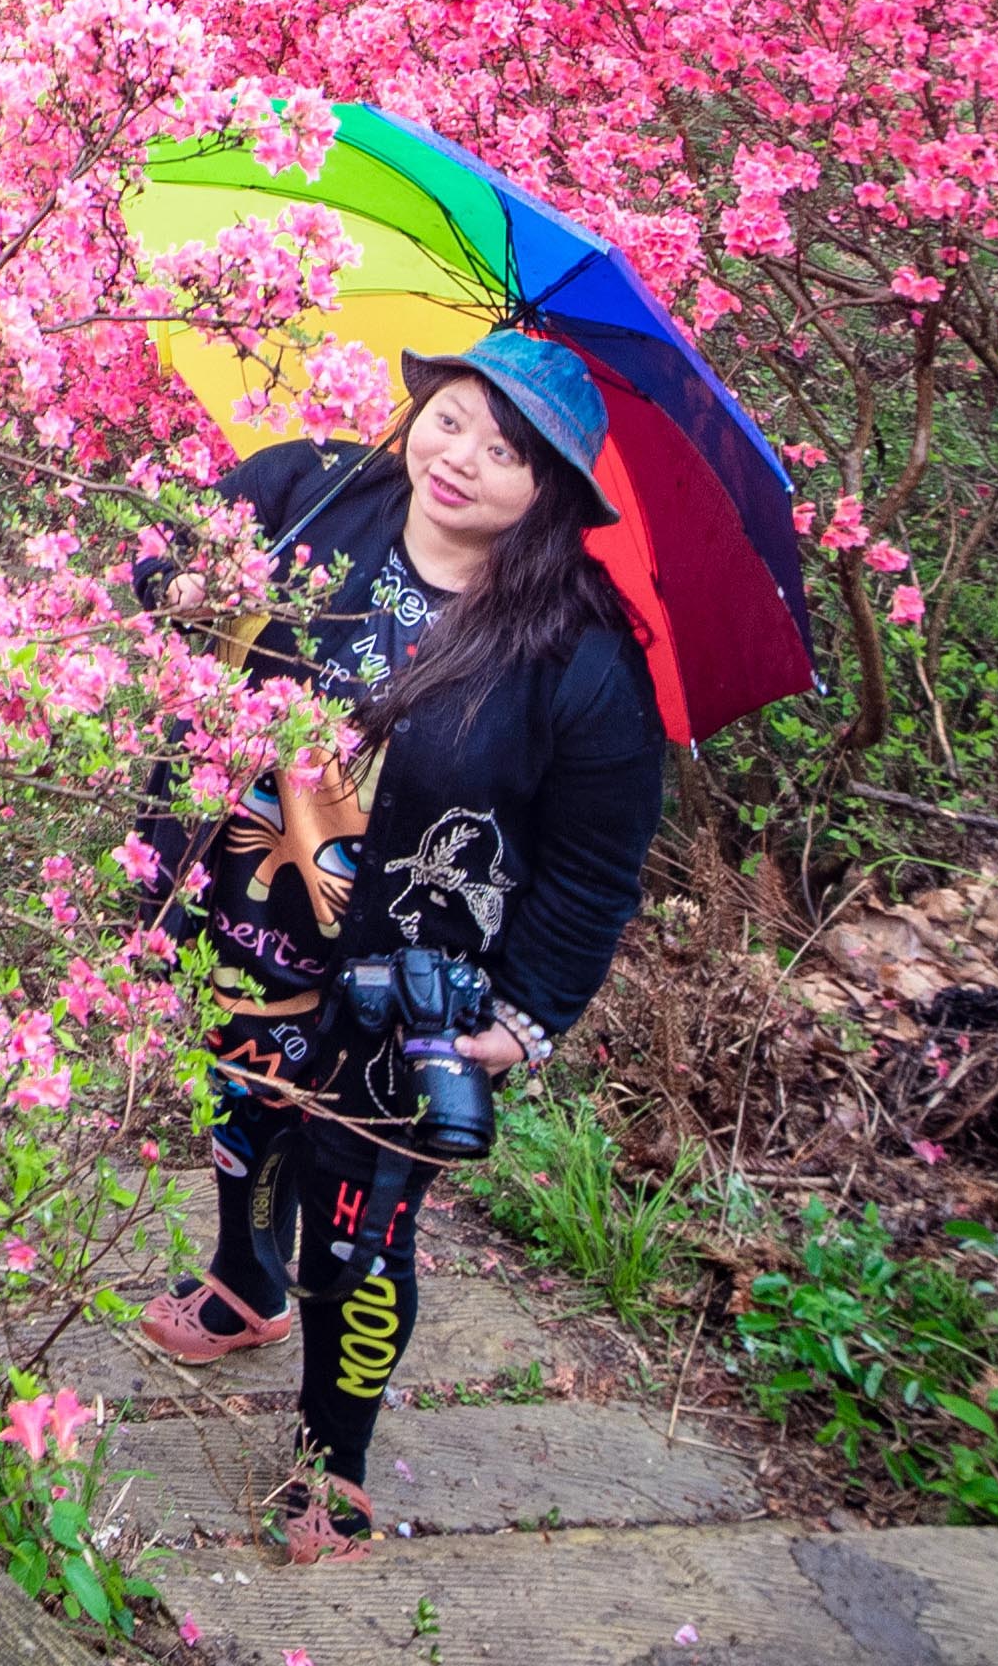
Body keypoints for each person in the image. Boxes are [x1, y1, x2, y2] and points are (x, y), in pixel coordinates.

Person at [135, 333, 670, 1555]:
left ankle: (337, 1455)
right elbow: (159, 551)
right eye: (452, 417)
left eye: (505, 447)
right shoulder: (308, 490)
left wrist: (524, 1015)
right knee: (241, 1119)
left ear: (551, 490)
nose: (460, 456)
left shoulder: (579, 654)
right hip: (246, 915)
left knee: (359, 1217)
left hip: (407, 986)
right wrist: (183, 581)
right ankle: (242, 1283)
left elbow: (594, 868)